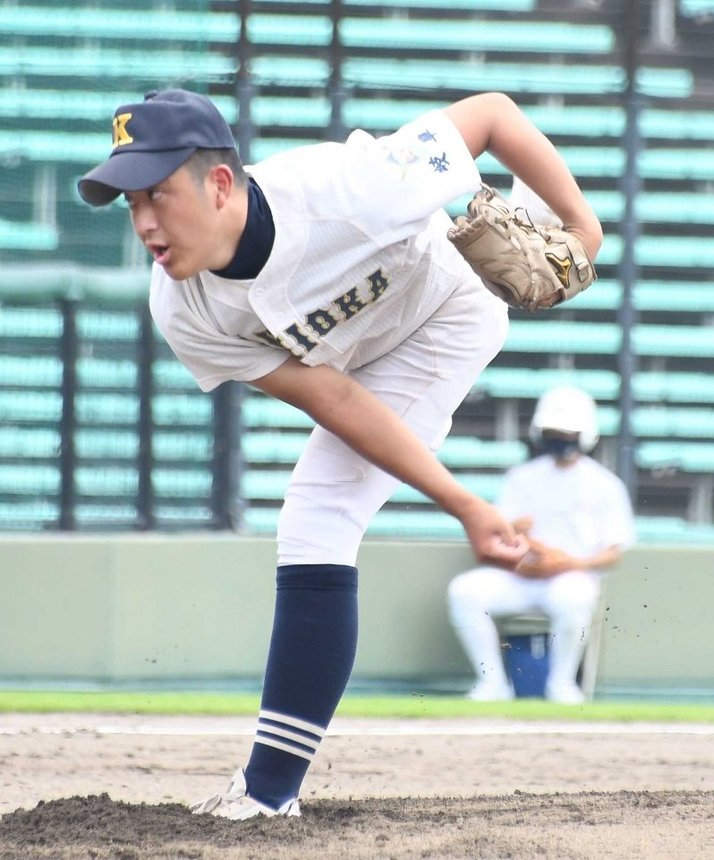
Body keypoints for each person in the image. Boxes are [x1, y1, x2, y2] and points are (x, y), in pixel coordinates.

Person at [78, 88, 602, 818]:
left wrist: (579, 226)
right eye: (130, 203)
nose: (144, 223)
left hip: (442, 317)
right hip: (355, 362)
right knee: (315, 521)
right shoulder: (183, 309)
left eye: (158, 195)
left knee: (319, 519)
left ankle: (266, 794)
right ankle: (271, 794)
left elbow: (492, 115)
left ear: (220, 184)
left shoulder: (349, 190)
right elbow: (338, 401)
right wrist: (465, 503)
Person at [447, 385, 636, 705]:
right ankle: (492, 684)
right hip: (519, 576)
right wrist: (518, 541)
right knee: (465, 591)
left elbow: (612, 551)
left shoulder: (605, 485)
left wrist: (567, 564)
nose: (560, 439)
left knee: (574, 597)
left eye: (567, 432)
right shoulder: (521, 478)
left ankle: (561, 685)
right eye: (553, 432)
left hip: (569, 578)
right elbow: (501, 535)